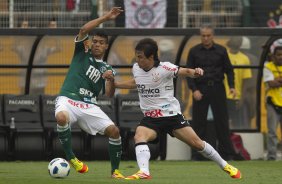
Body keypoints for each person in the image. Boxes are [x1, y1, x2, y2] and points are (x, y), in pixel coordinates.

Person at [114, 38, 241, 180]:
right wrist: (117, 84)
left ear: (151, 57)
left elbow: (185, 71)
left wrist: (196, 72)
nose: (137, 60)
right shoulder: (136, 68)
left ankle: (225, 165)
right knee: (139, 136)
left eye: (140, 57)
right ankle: (144, 171)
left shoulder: (165, 68)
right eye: (137, 56)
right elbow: (137, 82)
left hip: (171, 116)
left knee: (198, 144)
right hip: (151, 118)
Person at [54, 7, 125, 178]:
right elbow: (83, 30)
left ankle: (115, 171)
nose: (97, 44)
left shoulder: (108, 68)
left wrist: (110, 79)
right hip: (68, 98)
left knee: (114, 132)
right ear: (91, 43)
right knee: (61, 117)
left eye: (101, 42)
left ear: (106, 46)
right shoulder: (82, 52)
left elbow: (108, 94)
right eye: (95, 41)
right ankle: (71, 157)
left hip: (89, 105)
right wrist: (107, 16)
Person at [186, 24, 236, 161]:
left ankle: (226, 154)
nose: (206, 38)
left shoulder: (221, 50)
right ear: (200, 36)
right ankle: (197, 155)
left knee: (222, 122)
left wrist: (232, 86)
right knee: (198, 123)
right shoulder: (194, 51)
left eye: (208, 35)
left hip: (218, 88)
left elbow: (229, 70)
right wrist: (194, 90)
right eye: (203, 36)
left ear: (212, 36)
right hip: (200, 89)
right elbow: (188, 72)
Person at [225, 37, 252, 129]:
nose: (237, 42)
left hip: (236, 97)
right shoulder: (224, 56)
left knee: (236, 123)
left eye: (239, 40)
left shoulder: (245, 59)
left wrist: (242, 98)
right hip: (222, 95)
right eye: (236, 39)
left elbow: (246, 80)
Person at [263, 45, 282, 160]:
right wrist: (275, 81)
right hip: (272, 103)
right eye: (278, 55)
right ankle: (271, 156)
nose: (281, 57)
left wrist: (278, 80)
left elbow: (275, 82)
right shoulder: (268, 66)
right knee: (272, 132)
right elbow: (270, 83)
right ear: (274, 56)